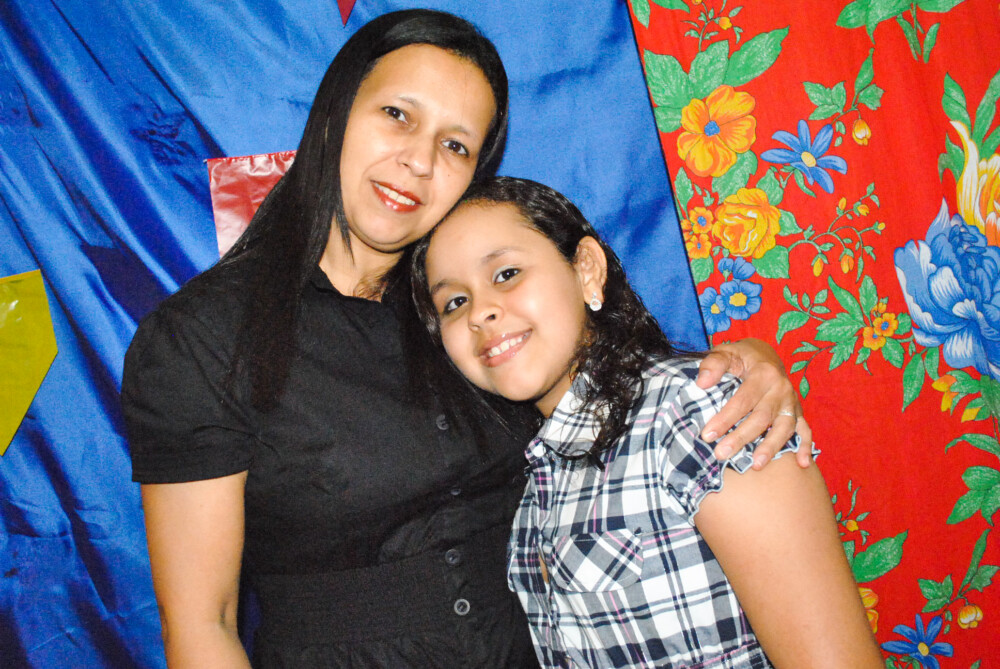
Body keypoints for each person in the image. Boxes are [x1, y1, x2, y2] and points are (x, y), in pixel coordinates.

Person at [121, 9, 809, 669]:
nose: (419, 160)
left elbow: (619, 400)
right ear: (335, 113)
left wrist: (750, 360)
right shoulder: (203, 339)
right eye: (398, 115)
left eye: (455, 145)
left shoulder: (468, 315)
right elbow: (203, 626)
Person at [411, 176, 883, 668]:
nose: (480, 313)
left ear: (587, 269)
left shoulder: (695, 412)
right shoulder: (534, 485)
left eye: (506, 273)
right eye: (454, 303)